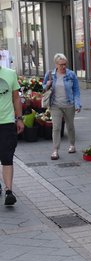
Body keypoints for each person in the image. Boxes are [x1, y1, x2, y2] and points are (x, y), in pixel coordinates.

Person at [43, 53, 82, 160]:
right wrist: (47, 85)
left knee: (70, 126)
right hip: (55, 105)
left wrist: (77, 104)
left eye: (65, 64)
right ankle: (55, 150)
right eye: (61, 65)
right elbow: (43, 87)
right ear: (56, 64)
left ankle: (72, 145)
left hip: (69, 104)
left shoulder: (71, 74)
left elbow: (76, 91)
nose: (63, 66)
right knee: (56, 128)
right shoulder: (50, 74)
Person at [0, 65, 24, 205]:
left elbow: (16, 98)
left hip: (7, 122)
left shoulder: (10, 74)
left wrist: (19, 118)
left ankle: (9, 191)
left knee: (7, 156)